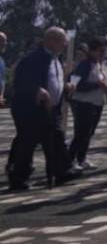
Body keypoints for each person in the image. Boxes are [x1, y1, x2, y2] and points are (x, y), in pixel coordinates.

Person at [6, 28, 76, 190]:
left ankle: (62, 172)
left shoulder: (56, 59)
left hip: (52, 109)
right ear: (50, 41)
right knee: (27, 143)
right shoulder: (33, 59)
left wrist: (65, 87)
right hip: (30, 109)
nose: (65, 44)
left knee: (57, 140)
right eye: (62, 41)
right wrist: (36, 90)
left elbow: (54, 80)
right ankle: (18, 178)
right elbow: (20, 83)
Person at [67, 38, 107, 172]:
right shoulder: (84, 65)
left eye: (105, 51)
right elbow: (76, 85)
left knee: (89, 133)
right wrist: (97, 85)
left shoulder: (102, 65)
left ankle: (82, 158)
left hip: (97, 103)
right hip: (83, 103)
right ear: (92, 51)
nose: (103, 54)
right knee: (80, 133)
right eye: (100, 51)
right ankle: (70, 160)